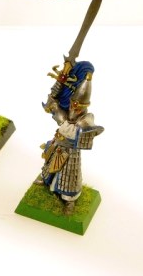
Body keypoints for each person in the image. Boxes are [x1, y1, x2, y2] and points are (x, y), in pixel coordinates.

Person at [36, 61, 104, 214]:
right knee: (49, 165)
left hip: (71, 152)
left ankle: (69, 201)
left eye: (78, 106)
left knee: (69, 176)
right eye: (73, 104)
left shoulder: (85, 121)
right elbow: (51, 103)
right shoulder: (65, 112)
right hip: (58, 144)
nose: (74, 107)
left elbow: (82, 138)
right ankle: (45, 180)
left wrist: (69, 126)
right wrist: (60, 82)